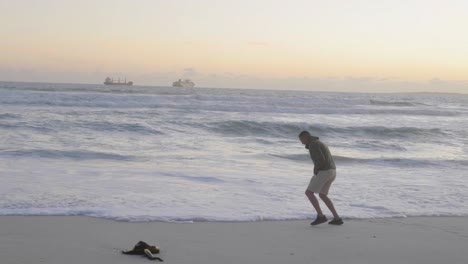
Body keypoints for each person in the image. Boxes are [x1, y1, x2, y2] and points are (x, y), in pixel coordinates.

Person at [298, 130, 343, 225]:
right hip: (332, 171)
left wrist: (316, 168)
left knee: (309, 193)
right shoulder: (319, 142)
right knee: (322, 195)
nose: (301, 142)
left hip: (324, 171)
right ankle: (337, 218)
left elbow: (321, 159)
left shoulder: (313, 145)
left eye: (301, 140)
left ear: (306, 137)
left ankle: (321, 216)